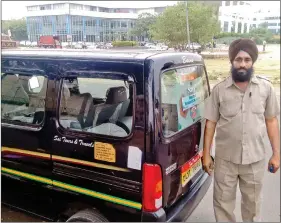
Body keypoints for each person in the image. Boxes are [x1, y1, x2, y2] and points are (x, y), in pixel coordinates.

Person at [202, 38, 280, 222]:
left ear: (252, 62)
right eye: (238, 59)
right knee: (222, 205)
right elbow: (210, 123)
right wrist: (206, 154)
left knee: (252, 206)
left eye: (247, 59)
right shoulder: (220, 90)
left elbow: (271, 121)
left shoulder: (266, 88)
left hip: (255, 159)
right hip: (225, 160)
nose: (242, 64)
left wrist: (276, 154)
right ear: (232, 61)